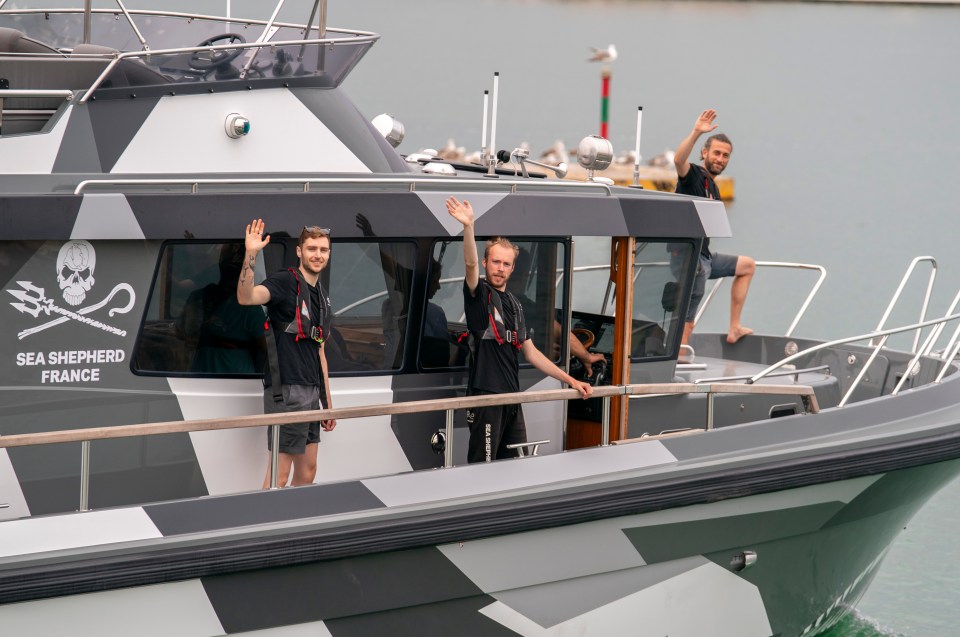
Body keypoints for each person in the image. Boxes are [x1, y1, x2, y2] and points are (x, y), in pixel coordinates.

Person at [445, 196, 593, 463]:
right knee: (482, 467)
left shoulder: (514, 304)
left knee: (516, 464)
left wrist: (571, 380)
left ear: (512, 268)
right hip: (486, 398)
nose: (499, 269)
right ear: (486, 262)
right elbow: (469, 265)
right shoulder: (479, 297)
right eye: (495, 262)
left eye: (505, 264)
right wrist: (469, 227)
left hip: (512, 397)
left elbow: (531, 353)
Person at [237, 220, 336, 488]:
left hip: (311, 391)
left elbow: (320, 351)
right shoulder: (284, 281)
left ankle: (295, 525)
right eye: (312, 248)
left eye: (323, 250)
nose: (318, 254)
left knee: (308, 472)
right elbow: (246, 297)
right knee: (279, 475)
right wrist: (251, 254)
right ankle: (266, 527)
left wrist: (327, 403)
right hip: (287, 389)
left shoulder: (322, 296)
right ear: (299, 251)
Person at [673, 108, 756, 346]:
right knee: (687, 321)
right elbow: (679, 160)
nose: (720, 159)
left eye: (725, 155)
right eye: (717, 153)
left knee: (747, 266)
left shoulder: (714, 187)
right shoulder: (694, 178)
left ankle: (734, 328)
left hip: (705, 256)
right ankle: (676, 367)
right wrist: (696, 131)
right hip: (690, 260)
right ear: (704, 153)